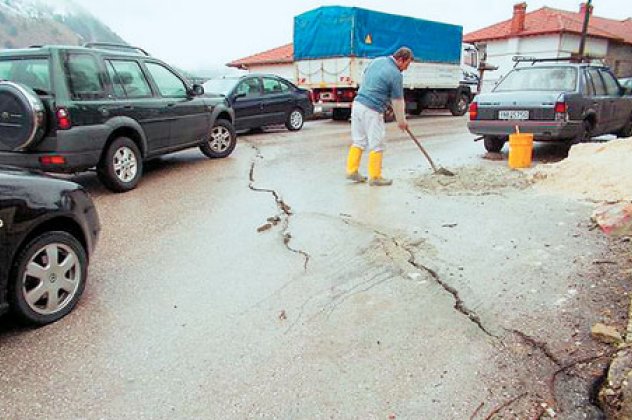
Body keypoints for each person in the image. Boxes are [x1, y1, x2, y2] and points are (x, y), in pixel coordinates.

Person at [345, 47, 414, 186]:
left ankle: (352, 171)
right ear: (401, 59)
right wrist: (401, 121)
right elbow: (398, 101)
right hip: (372, 109)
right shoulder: (395, 74)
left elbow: (366, 77)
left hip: (358, 105)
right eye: (406, 65)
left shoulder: (377, 61)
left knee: (358, 141)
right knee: (377, 143)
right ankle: (375, 176)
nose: (406, 69)